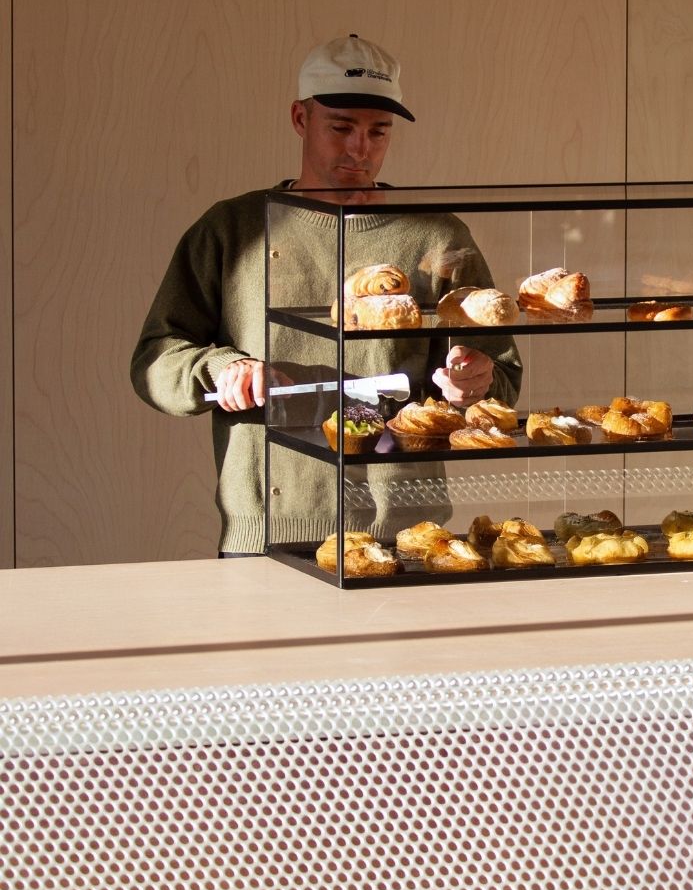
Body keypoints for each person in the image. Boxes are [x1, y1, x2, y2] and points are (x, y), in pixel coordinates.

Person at [131, 34, 522, 556]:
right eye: (341, 128)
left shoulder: (438, 237)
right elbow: (155, 359)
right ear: (300, 118)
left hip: (404, 533)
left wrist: (473, 383)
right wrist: (222, 368)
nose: (359, 149)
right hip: (269, 533)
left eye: (378, 133)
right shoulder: (233, 229)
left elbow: (501, 376)